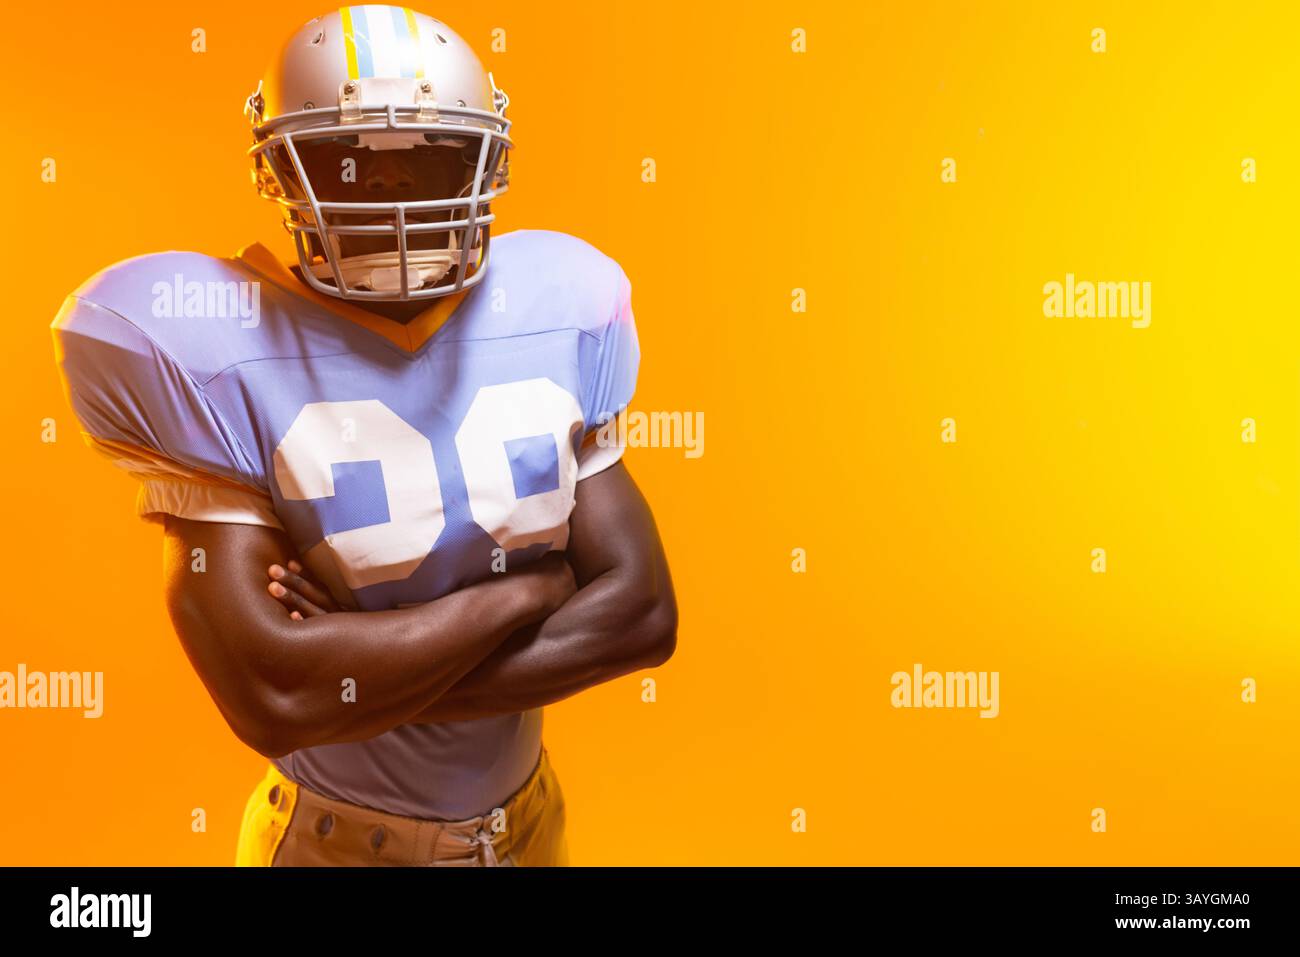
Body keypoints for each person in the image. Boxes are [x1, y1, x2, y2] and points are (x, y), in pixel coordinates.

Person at [50, 5, 676, 866]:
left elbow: (641, 614)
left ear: (485, 159)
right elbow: (271, 691)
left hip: (531, 827)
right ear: (282, 167)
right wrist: (525, 594)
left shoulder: (561, 304)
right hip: (335, 845)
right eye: (347, 165)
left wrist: (357, 669)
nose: (389, 191)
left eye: (430, 156)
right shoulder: (203, 340)